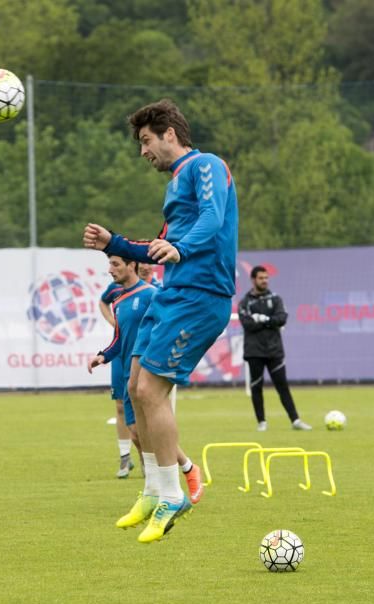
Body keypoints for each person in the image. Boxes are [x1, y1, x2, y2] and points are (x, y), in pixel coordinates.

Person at [83, 99, 238, 543]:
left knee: (151, 390)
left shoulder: (206, 164)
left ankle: (173, 493)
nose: (143, 151)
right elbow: (159, 246)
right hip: (173, 295)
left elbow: (213, 217)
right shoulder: (175, 187)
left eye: (146, 140)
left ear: (170, 133)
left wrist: (182, 249)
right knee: (134, 390)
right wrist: (114, 242)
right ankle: (153, 489)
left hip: (200, 295)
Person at [88, 255, 204, 499]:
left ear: (133, 266)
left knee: (150, 432)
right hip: (125, 370)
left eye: (115, 264)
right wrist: (104, 355)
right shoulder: (118, 299)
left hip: (148, 372)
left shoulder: (152, 294)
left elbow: (170, 326)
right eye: (109, 264)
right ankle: (173, 476)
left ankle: (181, 474)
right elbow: (121, 338)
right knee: (136, 434)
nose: (110, 270)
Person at [238, 266, 312, 432]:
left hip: (274, 350)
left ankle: (295, 420)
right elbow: (247, 324)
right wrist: (269, 322)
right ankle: (261, 422)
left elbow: (282, 318)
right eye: (261, 278)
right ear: (253, 280)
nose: (264, 281)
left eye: (266, 278)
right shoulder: (245, 302)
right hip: (254, 351)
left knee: (282, 386)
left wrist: (262, 319)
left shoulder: (276, 299)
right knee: (256, 387)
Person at [98, 280, 135, 477]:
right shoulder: (116, 288)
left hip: (142, 353)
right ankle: (125, 457)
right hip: (120, 353)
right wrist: (114, 323)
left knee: (145, 406)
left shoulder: (153, 289)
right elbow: (102, 301)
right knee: (120, 405)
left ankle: (149, 458)